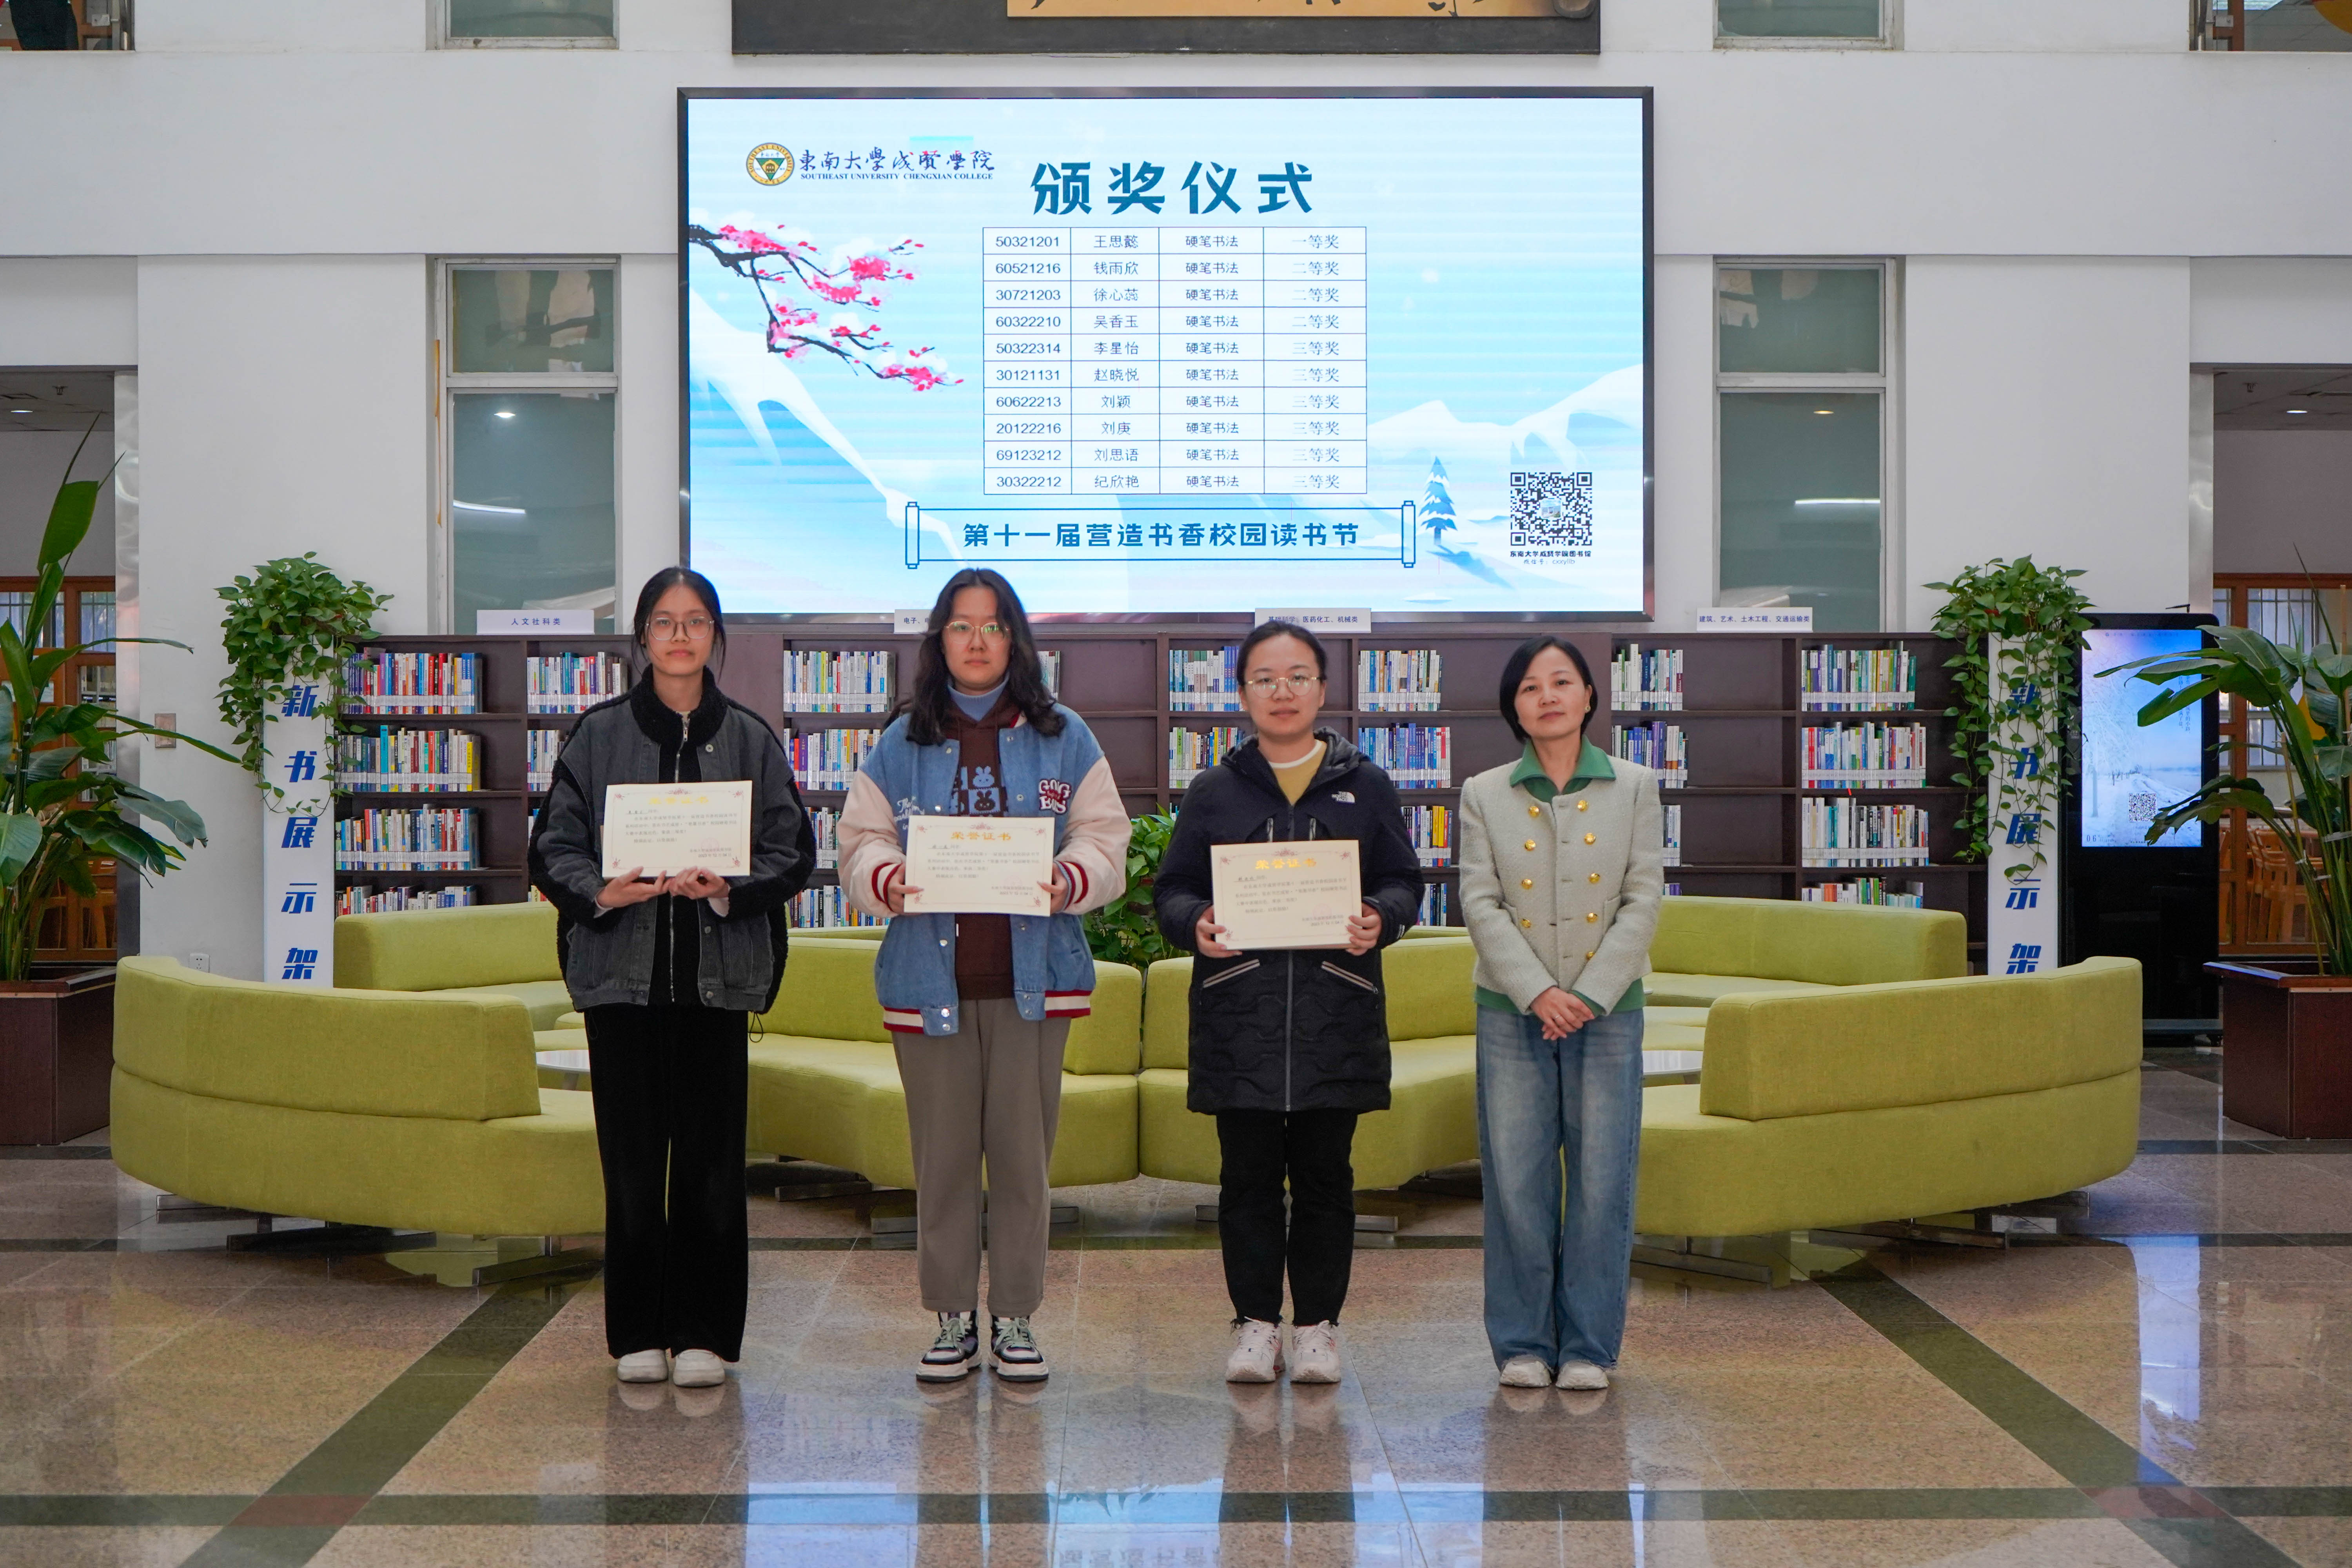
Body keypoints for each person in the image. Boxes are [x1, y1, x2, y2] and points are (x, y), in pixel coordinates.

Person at [837, 568, 1131, 1383]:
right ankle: (951, 1317)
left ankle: (1017, 1316)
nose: (977, 641)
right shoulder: (902, 740)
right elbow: (859, 840)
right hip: (928, 984)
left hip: (1031, 984)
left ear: (1016, 640)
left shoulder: (1063, 734)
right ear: (940, 640)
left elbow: (1105, 836)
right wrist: (887, 875)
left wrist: (1069, 877)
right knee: (943, 1162)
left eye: (993, 626)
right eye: (961, 626)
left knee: (1023, 1160)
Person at [528, 568, 815, 1388]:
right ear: (643, 637)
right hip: (621, 982)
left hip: (717, 984)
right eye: (664, 622)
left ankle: (705, 1334)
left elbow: (793, 850)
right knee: (629, 1162)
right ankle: (637, 1333)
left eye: (695, 622)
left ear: (715, 635)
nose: (680, 636)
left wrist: (730, 888)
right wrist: (601, 891)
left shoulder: (751, 738)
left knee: (711, 1164)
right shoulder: (598, 733)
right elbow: (553, 845)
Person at [1152, 621, 1424, 1387]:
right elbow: (1173, 890)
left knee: (1326, 1178)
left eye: (1298, 676)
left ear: (1322, 689)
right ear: (1242, 693)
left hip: (1336, 1014)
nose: (1283, 691)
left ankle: (1317, 1327)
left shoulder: (1366, 784)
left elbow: (1405, 881)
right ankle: (1255, 1324)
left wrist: (1381, 916)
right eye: (1266, 678)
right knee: (1245, 1178)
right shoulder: (1214, 790)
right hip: (1240, 1016)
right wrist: (1195, 923)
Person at [1458, 635, 1662, 1392]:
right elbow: (1479, 901)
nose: (1547, 696)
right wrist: (1537, 992)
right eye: (1530, 687)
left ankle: (1588, 1347)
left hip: (1606, 1010)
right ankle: (1520, 1343)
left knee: (1604, 1180)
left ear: (1588, 696)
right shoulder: (1484, 792)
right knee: (1516, 1181)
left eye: (1562, 682)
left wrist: (1588, 994)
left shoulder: (1636, 786)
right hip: (1512, 1009)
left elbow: (1644, 898)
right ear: (1513, 707)